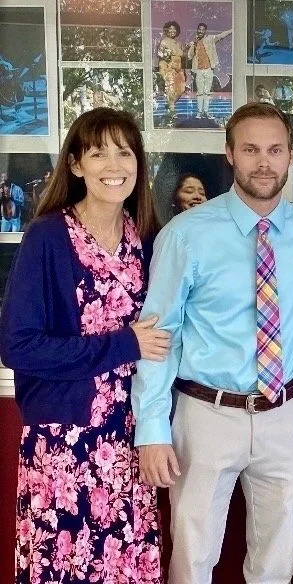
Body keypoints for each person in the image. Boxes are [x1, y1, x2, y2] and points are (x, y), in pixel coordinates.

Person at [131, 102, 293, 584]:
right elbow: (160, 335)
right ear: (230, 154)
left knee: (276, 561)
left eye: (274, 150)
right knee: (193, 557)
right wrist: (152, 428)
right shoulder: (186, 234)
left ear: (290, 156)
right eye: (250, 150)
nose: (263, 162)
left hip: (285, 414)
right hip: (206, 415)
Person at [0, 107, 169, 583]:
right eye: (99, 153)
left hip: (129, 441)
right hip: (65, 445)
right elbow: (18, 346)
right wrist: (122, 345)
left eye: (124, 153)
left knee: (125, 568)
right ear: (76, 164)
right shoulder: (48, 236)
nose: (114, 166)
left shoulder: (147, 240)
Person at [185, 23, 232, 119]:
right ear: (197, 30)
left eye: (203, 29)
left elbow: (221, 35)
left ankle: (206, 112)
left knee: (207, 92)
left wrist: (232, 30)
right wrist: (193, 45)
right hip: (198, 70)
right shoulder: (193, 42)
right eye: (199, 29)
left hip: (208, 69)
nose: (201, 31)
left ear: (205, 31)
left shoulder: (210, 39)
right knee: (200, 92)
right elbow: (189, 56)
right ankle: (199, 113)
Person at [157, 21, 186, 120]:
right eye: (170, 29)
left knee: (181, 89)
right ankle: (172, 110)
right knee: (171, 90)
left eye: (174, 29)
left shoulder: (178, 42)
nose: (172, 31)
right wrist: (169, 61)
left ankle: (170, 104)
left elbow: (182, 55)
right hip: (169, 68)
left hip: (179, 68)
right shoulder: (164, 41)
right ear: (167, 31)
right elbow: (160, 54)